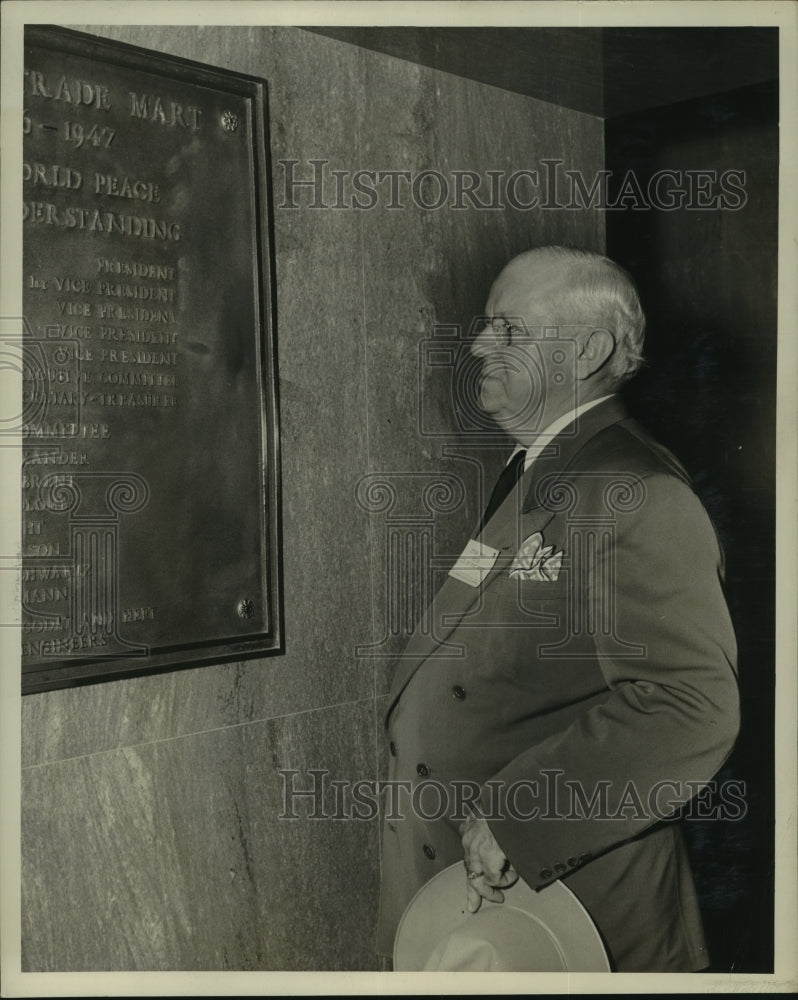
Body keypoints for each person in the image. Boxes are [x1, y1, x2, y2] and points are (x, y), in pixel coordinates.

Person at [376, 245, 740, 972]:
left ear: (588, 351)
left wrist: (521, 819)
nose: (479, 344)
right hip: (482, 904)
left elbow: (688, 704)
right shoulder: (538, 468)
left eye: (508, 330)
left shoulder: (636, 492)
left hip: (569, 911)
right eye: (486, 326)